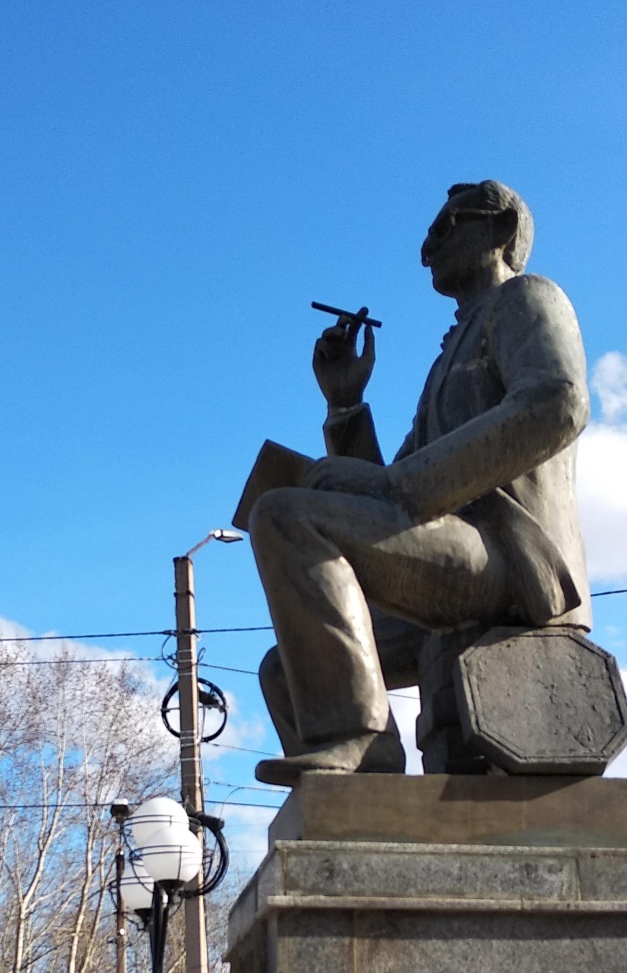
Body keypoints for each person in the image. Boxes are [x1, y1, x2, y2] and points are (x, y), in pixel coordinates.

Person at [250, 181, 591, 786]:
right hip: (457, 562)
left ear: (501, 230)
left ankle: (359, 740)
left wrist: (399, 488)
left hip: (510, 562)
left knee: (284, 516)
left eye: (446, 226)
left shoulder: (528, 299)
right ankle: (359, 800)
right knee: (287, 670)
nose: (427, 247)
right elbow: (392, 482)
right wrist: (346, 406)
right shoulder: (449, 355)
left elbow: (556, 402)